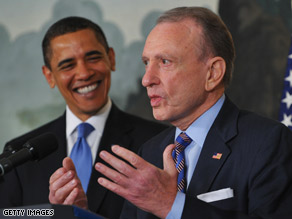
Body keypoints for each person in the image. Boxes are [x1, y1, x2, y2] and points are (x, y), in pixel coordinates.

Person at [92, 7, 292, 218]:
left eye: (165, 62)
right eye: (146, 63)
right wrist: (76, 213)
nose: (146, 79)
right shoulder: (149, 153)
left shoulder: (268, 144)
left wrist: (172, 205)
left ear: (213, 73)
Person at [0, 16, 167, 219]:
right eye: (68, 65)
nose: (84, 73)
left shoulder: (158, 142)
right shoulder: (20, 156)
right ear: (49, 76)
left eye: (93, 58)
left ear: (111, 59)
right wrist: (57, 214)